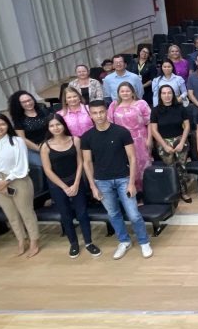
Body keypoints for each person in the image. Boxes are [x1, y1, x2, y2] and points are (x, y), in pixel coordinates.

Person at [82, 100, 151, 259]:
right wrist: (93, 186)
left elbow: (132, 158)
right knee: (113, 214)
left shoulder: (121, 132)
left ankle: (143, 241)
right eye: (95, 113)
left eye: (101, 112)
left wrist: (131, 182)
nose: (98, 116)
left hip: (123, 179)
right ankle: (124, 241)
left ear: (106, 111)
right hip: (102, 181)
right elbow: (87, 162)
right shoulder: (87, 137)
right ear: (90, 115)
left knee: (133, 214)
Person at [0, 114, 40, 258]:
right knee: (11, 214)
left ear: (7, 125)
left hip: (18, 178)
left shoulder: (17, 141)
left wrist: (7, 180)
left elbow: (22, 164)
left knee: (26, 212)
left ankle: (34, 240)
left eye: (2, 124)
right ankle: (21, 240)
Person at [40, 114, 100, 258]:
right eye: (52, 125)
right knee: (65, 215)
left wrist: (76, 183)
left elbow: (80, 162)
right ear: (48, 128)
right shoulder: (45, 146)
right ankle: (73, 243)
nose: (56, 128)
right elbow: (47, 170)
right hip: (57, 185)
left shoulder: (75, 140)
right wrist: (65, 187)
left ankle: (88, 242)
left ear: (63, 125)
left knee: (82, 213)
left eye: (58, 124)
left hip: (76, 181)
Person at [150, 84, 193, 203]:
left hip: (180, 140)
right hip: (164, 143)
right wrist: (164, 145)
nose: (167, 96)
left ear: (173, 94)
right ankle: (173, 192)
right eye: (163, 93)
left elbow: (187, 126)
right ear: (160, 96)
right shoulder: (155, 110)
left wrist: (182, 142)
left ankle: (184, 192)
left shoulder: (180, 108)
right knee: (170, 169)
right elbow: (153, 130)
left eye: (169, 93)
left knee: (182, 168)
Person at [109, 83, 151, 192]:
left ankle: (146, 192)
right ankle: (131, 192)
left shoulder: (141, 103)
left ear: (132, 92)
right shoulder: (114, 105)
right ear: (118, 93)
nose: (125, 93)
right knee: (126, 164)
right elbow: (109, 123)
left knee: (142, 165)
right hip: (121, 140)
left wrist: (149, 139)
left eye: (127, 91)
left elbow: (150, 122)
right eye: (122, 91)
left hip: (140, 139)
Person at [8, 90, 50, 168]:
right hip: (34, 147)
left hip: (50, 142)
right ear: (19, 104)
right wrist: (40, 149)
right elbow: (23, 139)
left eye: (29, 100)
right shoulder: (18, 119)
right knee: (44, 165)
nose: (28, 103)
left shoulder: (43, 110)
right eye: (24, 102)